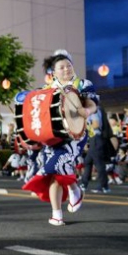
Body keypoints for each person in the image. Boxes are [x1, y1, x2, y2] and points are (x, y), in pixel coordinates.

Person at [22, 50, 98, 226]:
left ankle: (73, 190)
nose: (66, 70)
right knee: (55, 174)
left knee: (54, 167)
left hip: (75, 136)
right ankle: (58, 211)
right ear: (53, 72)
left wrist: (87, 110)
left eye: (69, 66)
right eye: (61, 67)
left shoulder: (82, 84)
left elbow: (92, 103)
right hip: (52, 137)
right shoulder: (47, 90)